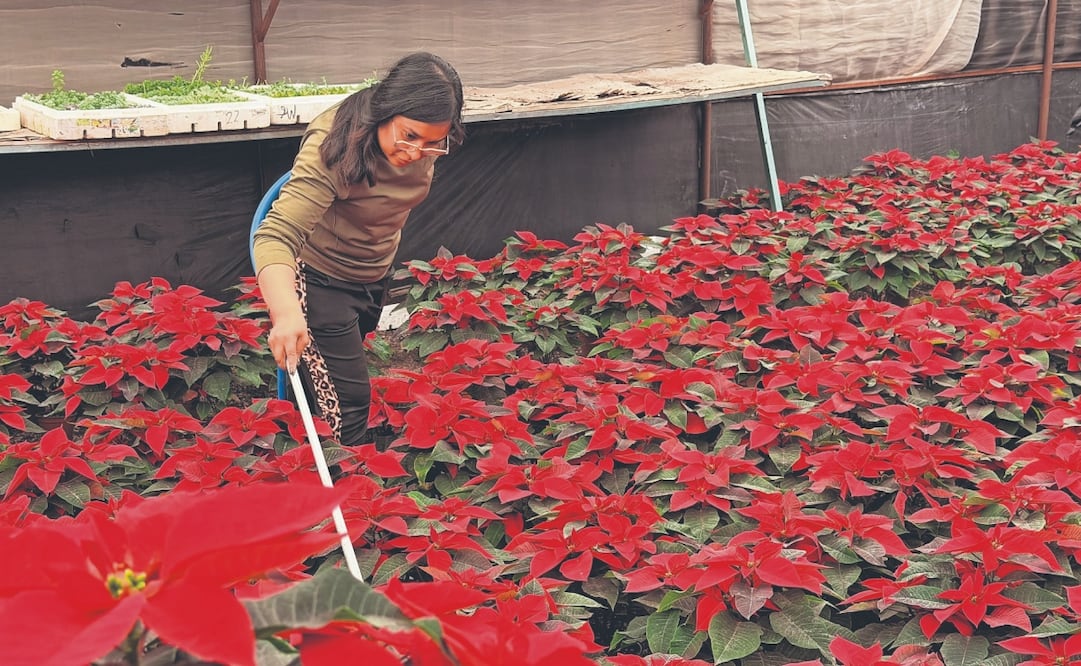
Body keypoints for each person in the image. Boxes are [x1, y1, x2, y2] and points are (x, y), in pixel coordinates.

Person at [252, 51, 464, 445]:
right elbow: (275, 234)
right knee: (347, 406)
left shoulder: (422, 142)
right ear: (385, 111)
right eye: (410, 136)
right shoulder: (333, 143)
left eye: (433, 143)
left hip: (373, 273)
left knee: (328, 381)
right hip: (319, 279)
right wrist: (286, 313)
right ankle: (335, 487)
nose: (416, 153)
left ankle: (306, 434)